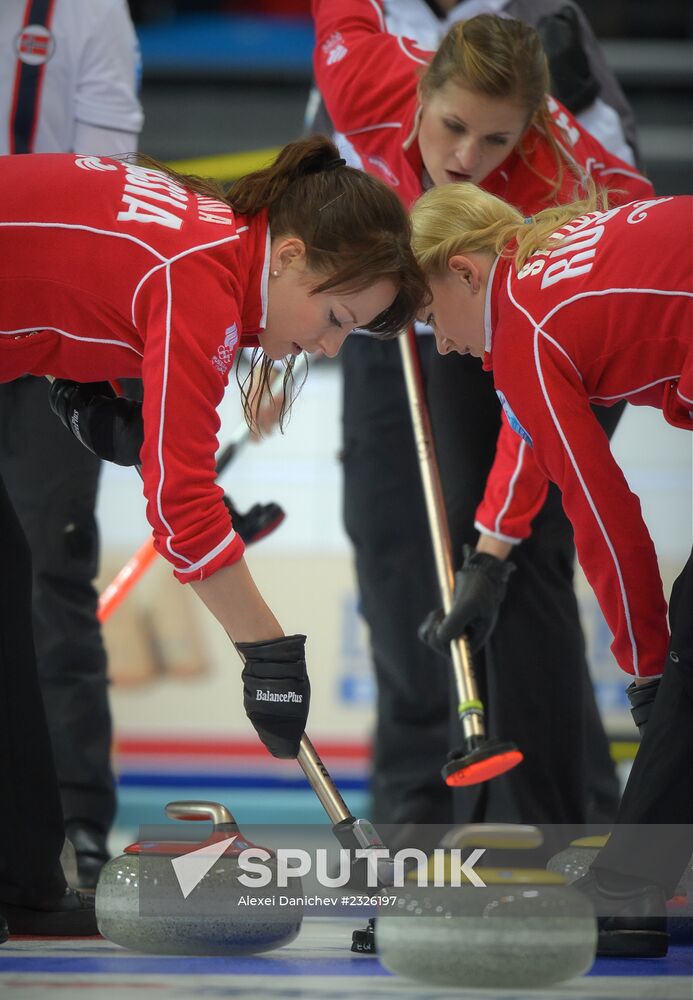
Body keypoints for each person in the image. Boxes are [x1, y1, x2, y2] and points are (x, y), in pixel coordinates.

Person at [0, 136, 427, 937]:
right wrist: (268, 653)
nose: (329, 347)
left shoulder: (217, 242)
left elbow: (51, 253)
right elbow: (182, 508)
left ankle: (22, 880)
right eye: (334, 317)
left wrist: (76, 387)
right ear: (290, 254)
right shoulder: (200, 271)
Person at [313, 0, 654, 836]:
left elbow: (536, 417)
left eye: (494, 140)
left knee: (518, 544)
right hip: (426, 282)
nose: (464, 159)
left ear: (530, 130)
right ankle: (421, 816)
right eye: (451, 128)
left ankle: (552, 823)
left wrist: (495, 545)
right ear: (420, 90)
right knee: (396, 534)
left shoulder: (554, 188)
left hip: (551, 313)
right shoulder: (363, 76)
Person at [410, 181, 692, 956]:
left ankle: (629, 884)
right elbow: (528, 435)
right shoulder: (542, 267)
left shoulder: (525, 323)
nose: (439, 344)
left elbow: (605, 518)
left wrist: (647, 674)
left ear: (465, 272)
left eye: (431, 316)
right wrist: (488, 563)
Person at [0, 0, 143, 889]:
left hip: (51, 311)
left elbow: (107, 170)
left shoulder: (89, 9)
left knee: (53, 565)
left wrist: (88, 353)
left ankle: (72, 825)